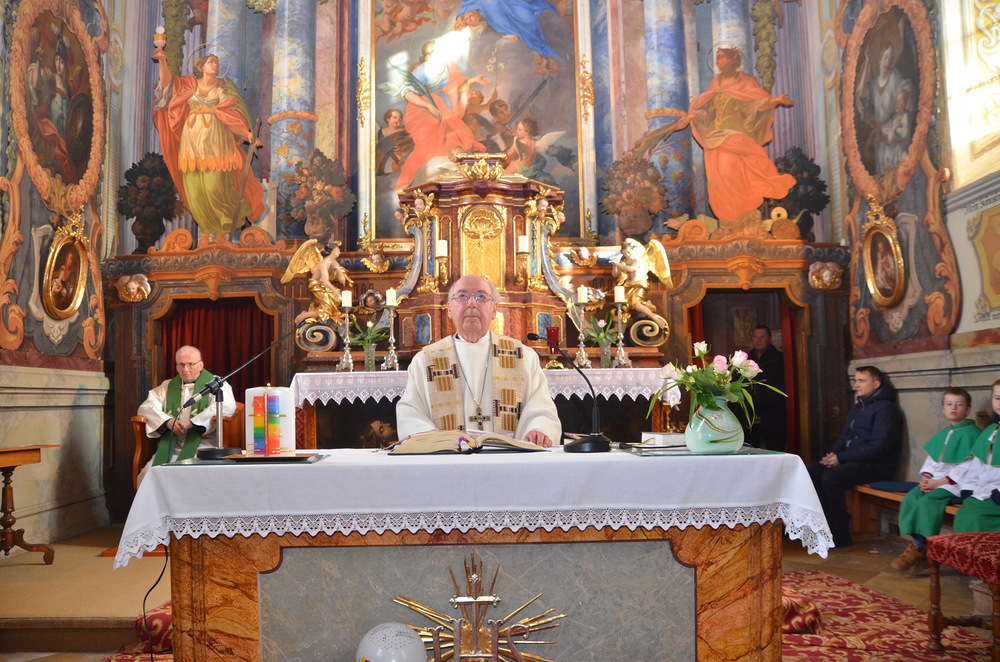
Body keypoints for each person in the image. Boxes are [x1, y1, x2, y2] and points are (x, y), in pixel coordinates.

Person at [396, 274, 560, 446]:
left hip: (510, 459)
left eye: (481, 296)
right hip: (448, 459)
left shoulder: (523, 357)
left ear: (494, 309)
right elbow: (411, 412)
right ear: (450, 309)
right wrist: (433, 438)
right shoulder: (426, 360)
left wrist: (537, 430)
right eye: (462, 296)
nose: (472, 303)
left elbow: (541, 408)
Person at [151, 47, 265, 238]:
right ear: (201, 66)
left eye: (217, 63)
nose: (215, 65)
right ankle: (206, 234)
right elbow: (167, 84)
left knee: (214, 187)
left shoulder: (223, 88)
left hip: (217, 143)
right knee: (195, 191)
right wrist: (162, 60)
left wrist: (248, 135)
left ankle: (222, 231)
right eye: (211, 62)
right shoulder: (189, 84)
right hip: (191, 144)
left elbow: (230, 116)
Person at [677, 47, 795, 223]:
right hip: (714, 139)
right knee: (718, 178)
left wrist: (775, 101)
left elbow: (755, 104)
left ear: (733, 60)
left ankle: (742, 215)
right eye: (717, 58)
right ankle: (728, 220)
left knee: (732, 172)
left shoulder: (745, 82)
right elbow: (708, 111)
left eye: (721, 57)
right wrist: (692, 116)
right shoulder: (716, 84)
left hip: (735, 135)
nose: (718, 62)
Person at [807, 366, 903, 548]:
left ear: (876, 384)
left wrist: (841, 458)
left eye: (861, 381)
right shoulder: (858, 407)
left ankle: (840, 534)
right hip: (853, 460)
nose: (856, 385)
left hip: (877, 466)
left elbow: (878, 448)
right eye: (855, 380)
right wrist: (833, 455)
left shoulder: (886, 410)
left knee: (830, 478)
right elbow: (845, 436)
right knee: (812, 473)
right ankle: (824, 529)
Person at [890, 388, 979, 571]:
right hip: (935, 481)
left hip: (956, 484)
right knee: (912, 497)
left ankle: (918, 547)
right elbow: (932, 460)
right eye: (949, 404)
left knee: (928, 502)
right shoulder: (945, 432)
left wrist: (938, 483)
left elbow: (967, 468)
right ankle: (921, 546)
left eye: (959, 404)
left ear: (968, 409)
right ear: (943, 408)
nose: (953, 408)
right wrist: (926, 477)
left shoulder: (973, 434)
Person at [135, 345, 236, 486]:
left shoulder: (216, 384)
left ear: (201, 365)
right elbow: (146, 407)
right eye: (181, 365)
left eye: (190, 364)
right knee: (148, 474)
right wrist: (167, 421)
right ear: (176, 367)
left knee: (192, 475)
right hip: (172, 444)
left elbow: (227, 406)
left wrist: (193, 423)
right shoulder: (167, 386)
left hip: (202, 444)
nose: (186, 369)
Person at [952, 380, 1000, 535]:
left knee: (974, 518)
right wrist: (969, 487)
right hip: (984, 492)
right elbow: (977, 464)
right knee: (964, 515)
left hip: (996, 495)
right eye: (997, 398)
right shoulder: (991, 430)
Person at [744, 325, 786, 451]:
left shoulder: (779, 358)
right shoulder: (745, 360)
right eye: (755, 337)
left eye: (762, 337)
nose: (759, 340)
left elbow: (781, 385)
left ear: (769, 339)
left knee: (775, 450)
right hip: (750, 415)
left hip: (773, 414)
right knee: (749, 451)